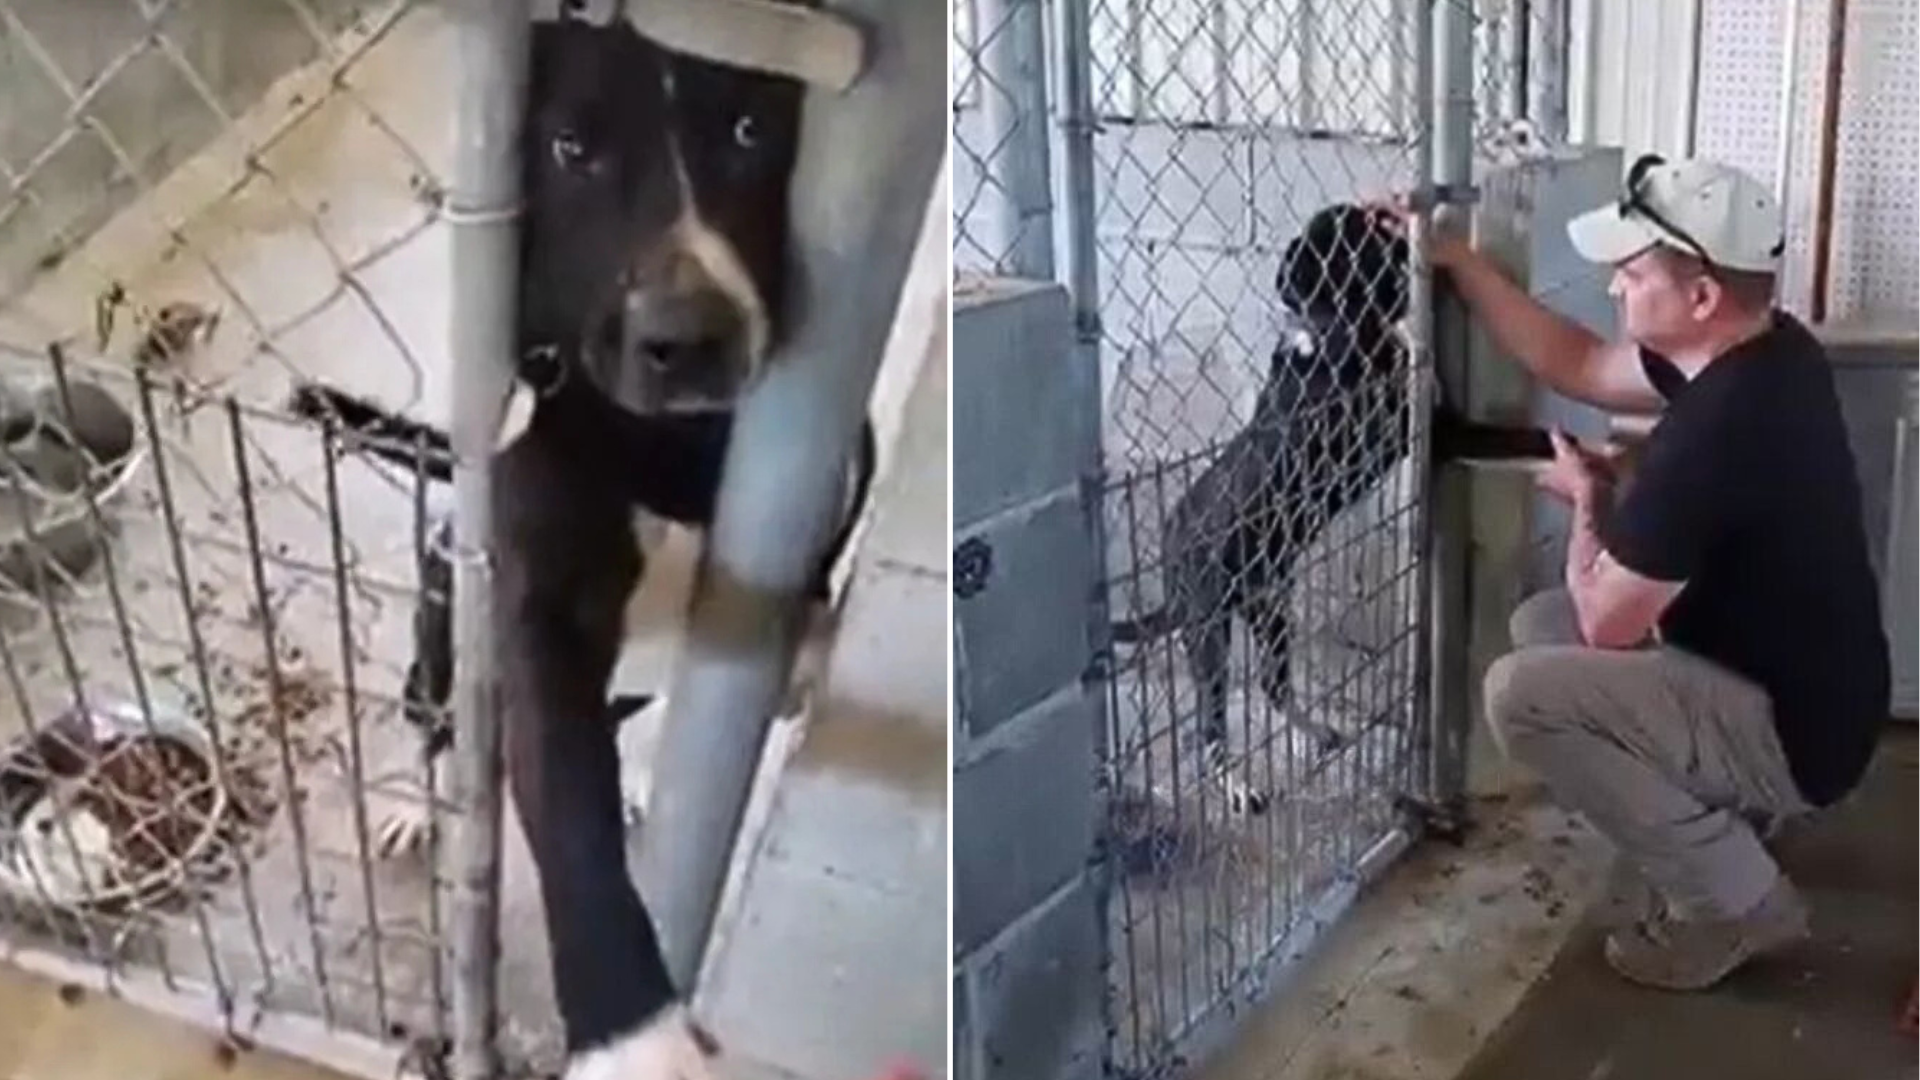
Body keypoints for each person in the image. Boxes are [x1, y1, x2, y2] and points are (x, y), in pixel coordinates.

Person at [1394, 155, 1890, 991]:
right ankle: (1738, 813)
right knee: (1541, 628)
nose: (1614, 287)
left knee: (1525, 692)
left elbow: (1607, 624)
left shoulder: (1714, 434)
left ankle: (1735, 902)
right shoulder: (1767, 350)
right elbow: (1582, 366)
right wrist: (1460, 260)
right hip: (1817, 692)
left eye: (1632, 272)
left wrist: (1590, 500)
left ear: (1701, 297)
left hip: (1794, 734)